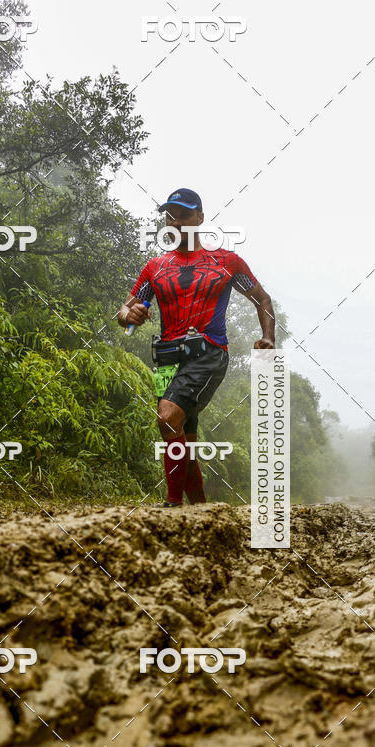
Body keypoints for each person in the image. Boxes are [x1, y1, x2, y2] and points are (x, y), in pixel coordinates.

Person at [118, 188, 276, 507]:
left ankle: (172, 504)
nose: (176, 222)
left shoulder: (226, 262)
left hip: (209, 352)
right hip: (166, 359)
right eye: (170, 216)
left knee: (166, 419)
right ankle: (200, 508)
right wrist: (129, 314)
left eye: (184, 215)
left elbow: (263, 300)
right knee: (182, 434)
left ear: (200, 218)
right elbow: (125, 313)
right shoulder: (155, 268)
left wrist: (268, 337)